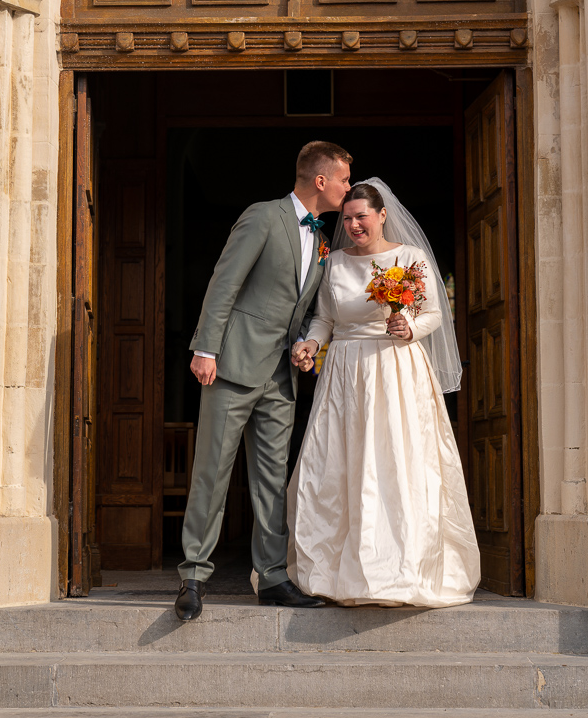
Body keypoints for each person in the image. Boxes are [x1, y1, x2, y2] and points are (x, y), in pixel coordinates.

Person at [175, 140, 353, 621]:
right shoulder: (263, 216)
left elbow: (304, 307)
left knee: (273, 480)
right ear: (321, 181)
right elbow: (224, 281)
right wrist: (205, 348)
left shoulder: (321, 241)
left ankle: (272, 576)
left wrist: (303, 346)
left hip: (281, 375)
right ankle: (193, 575)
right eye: (343, 180)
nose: (348, 188)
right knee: (212, 471)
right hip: (232, 364)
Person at [290, 179, 480, 607]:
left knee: (398, 460)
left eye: (362, 216)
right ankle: (340, 571)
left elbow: (433, 312)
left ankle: (404, 569)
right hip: (343, 373)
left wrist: (409, 326)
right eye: (348, 217)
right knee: (340, 464)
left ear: (382, 216)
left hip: (396, 369)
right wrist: (310, 344)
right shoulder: (333, 261)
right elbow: (324, 318)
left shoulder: (409, 258)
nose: (355, 224)